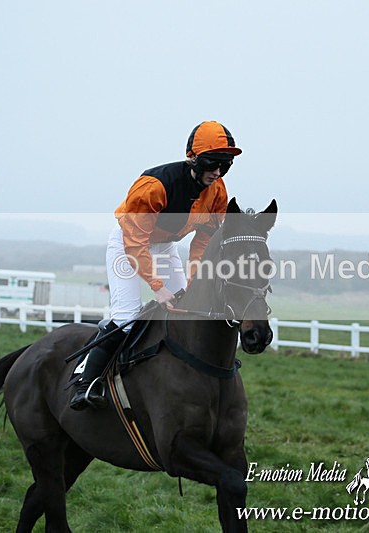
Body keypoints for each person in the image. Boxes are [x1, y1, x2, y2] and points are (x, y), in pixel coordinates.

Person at [69, 120, 241, 410]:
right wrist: (157, 287)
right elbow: (136, 244)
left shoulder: (217, 191)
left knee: (188, 307)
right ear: (194, 158)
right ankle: (86, 381)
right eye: (213, 163)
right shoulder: (153, 186)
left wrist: (195, 279)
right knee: (126, 316)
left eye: (225, 165)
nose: (218, 172)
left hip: (164, 246)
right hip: (129, 244)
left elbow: (204, 239)